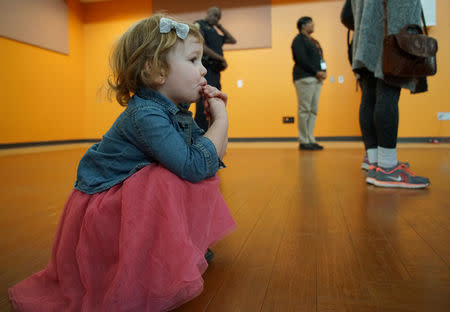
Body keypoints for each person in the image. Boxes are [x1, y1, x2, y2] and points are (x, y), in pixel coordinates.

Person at [8, 14, 236, 311]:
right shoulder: (146, 114)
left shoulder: (177, 110)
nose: (204, 69)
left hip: (128, 197)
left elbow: (210, 160)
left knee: (182, 171)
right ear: (155, 70)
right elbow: (195, 166)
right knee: (165, 178)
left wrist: (218, 126)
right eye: (193, 60)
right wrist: (221, 119)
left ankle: (180, 251)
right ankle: (146, 261)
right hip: (107, 206)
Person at [351, 0, 430, 188]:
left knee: (369, 96)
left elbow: (346, 13)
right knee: (388, 91)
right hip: (391, 34)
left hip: (365, 38)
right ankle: (388, 169)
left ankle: (375, 161)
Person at [194, 7, 236, 131]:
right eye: (214, 15)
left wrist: (220, 26)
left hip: (215, 72)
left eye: (218, 17)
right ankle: (199, 136)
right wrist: (221, 58)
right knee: (203, 102)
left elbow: (233, 40)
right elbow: (201, 45)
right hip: (205, 69)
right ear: (207, 13)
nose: (216, 18)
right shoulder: (199, 25)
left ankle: (213, 134)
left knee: (216, 100)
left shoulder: (215, 32)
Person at [291, 16, 327, 151]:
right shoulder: (298, 40)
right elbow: (301, 59)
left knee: (313, 110)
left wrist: (324, 71)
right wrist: (316, 72)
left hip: (317, 79)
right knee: (305, 109)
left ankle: (310, 138)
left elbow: (321, 58)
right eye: (311, 23)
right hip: (305, 78)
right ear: (303, 25)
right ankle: (303, 140)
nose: (313, 25)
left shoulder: (314, 41)